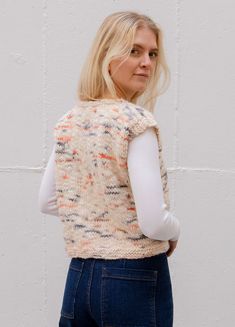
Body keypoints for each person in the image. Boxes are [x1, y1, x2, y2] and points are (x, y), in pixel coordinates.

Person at [38, 11, 180, 327]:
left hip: (79, 276)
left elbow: (47, 201)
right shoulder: (136, 123)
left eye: (152, 53)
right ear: (107, 56)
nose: (147, 62)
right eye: (134, 50)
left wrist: (93, 215)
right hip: (133, 278)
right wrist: (176, 230)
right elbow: (154, 222)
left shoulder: (70, 121)